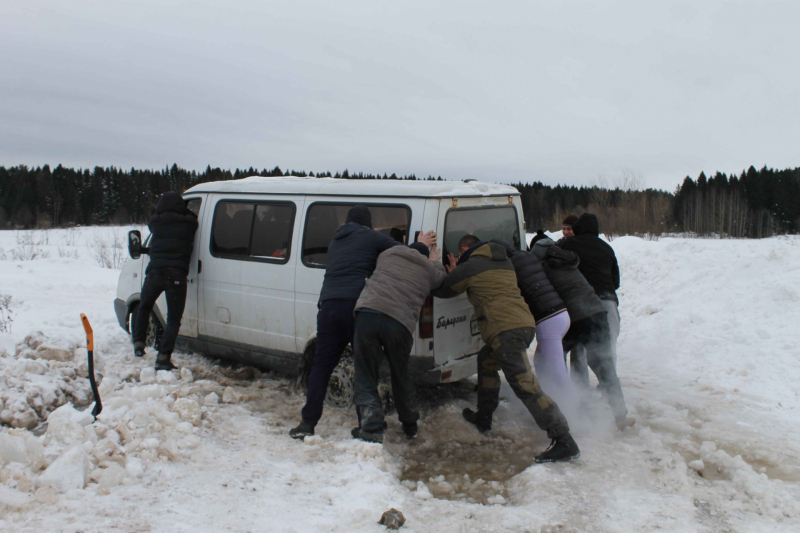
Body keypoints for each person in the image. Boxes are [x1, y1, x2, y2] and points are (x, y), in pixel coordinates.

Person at [289, 205, 435, 439]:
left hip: (328, 306)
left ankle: (307, 423)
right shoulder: (370, 235)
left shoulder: (335, 240)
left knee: (321, 366)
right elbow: (404, 256)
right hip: (356, 307)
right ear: (367, 223)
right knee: (365, 368)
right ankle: (368, 423)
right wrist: (422, 244)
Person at [434, 235, 580, 463]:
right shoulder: (504, 262)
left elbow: (443, 289)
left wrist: (452, 270)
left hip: (505, 330)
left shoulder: (472, 266)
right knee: (487, 361)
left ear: (465, 249)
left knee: (524, 384)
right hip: (523, 324)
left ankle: (564, 439)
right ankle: (484, 417)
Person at [532, 236, 634, 430]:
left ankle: (558, 407)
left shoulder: (546, 268)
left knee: (549, 358)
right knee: (605, 368)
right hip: (597, 314)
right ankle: (621, 417)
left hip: (575, 319)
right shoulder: (568, 263)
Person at [350, 241, 446, 443]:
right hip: (399, 322)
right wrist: (434, 261)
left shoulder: (389, 253)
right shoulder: (429, 268)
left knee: (366, 372)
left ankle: (371, 428)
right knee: (400, 375)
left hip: (368, 313)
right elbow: (441, 278)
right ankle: (410, 426)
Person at [491, 239, 573, 408]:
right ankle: (547, 397)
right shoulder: (526, 256)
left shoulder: (509, 265)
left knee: (558, 371)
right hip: (561, 313)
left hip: (547, 320)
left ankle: (572, 407)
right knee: (540, 362)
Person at [133, 191, 198, 371]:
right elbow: (194, 219)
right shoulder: (189, 223)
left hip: (154, 273)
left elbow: (154, 218)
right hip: (176, 275)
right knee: (173, 319)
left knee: (144, 307)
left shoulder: (156, 223)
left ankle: (139, 343)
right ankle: (163, 357)